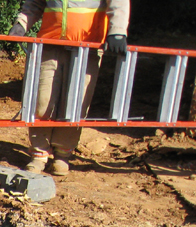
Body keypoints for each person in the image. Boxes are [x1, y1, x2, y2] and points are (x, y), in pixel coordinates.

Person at [10, 0, 130, 177]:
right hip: (49, 43)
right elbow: (35, 3)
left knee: (76, 103)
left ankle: (62, 155)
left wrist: (117, 31)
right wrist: (21, 23)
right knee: (41, 100)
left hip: (87, 47)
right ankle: (39, 154)